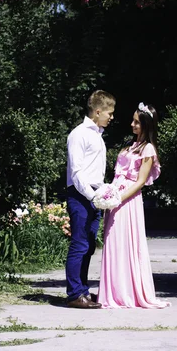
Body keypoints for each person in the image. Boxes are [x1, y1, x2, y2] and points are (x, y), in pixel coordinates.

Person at [98, 103, 171, 309]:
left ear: (147, 125)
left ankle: (127, 292)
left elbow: (140, 181)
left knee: (125, 242)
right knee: (113, 242)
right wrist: (109, 194)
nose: (132, 124)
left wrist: (118, 198)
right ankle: (113, 291)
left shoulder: (148, 148)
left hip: (127, 200)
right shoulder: (132, 145)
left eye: (137, 122)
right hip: (116, 196)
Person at [65, 90, 115, 308]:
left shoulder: (97, 134)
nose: (112, 117)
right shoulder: (79, 134)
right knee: (79, 243)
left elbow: (94, 170)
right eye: (109, 113)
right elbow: (76, 173)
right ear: (97, 111)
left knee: (89, 246)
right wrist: (92, 196)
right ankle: (74, 294)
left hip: (94, 195)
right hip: (81, 195)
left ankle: (82, 290)